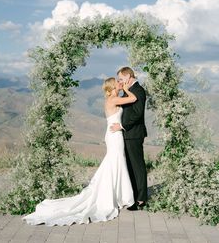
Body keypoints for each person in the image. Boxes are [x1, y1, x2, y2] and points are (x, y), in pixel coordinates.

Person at [22, 77, 136, 226]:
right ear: (113, 87)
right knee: (115, 162)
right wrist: (127, 89)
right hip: (115, 136)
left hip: (114, 134)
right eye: (118, 83)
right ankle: (118, 197)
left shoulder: (113, 98)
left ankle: (117, 196)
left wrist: (123, 90)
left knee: (115, 163)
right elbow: (133, 98)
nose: (121, 83)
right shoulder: (113, 100)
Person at [110, 67, 148, 210]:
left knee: (137, 166)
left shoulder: (138, 91)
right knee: (130, 166)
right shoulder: (129, 91)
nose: (120, 81)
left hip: (134, 134)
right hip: (126, 135)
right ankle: (132, 196)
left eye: (121, 78)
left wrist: (122, 126)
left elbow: (137, 114)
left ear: (128, 76)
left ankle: (141, 199)